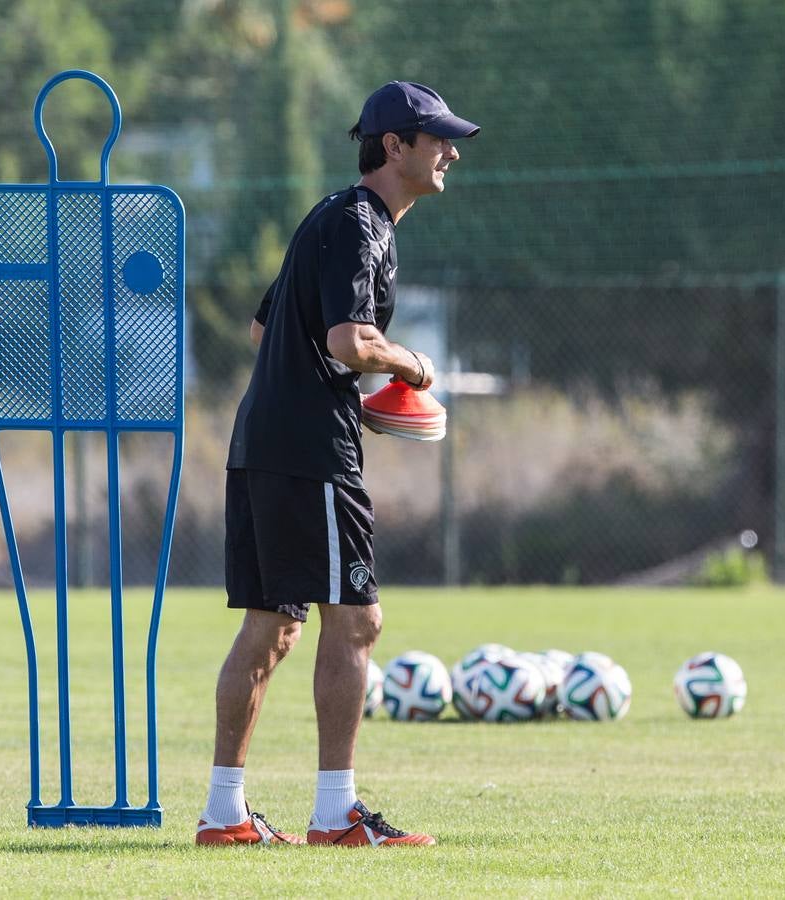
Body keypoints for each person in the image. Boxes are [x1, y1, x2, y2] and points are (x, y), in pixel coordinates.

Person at [195, 81, 479, 847]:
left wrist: (345, 397)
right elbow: (350, 343)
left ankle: (225, 815)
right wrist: (412, 366)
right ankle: (337, 816)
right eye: (438, 139)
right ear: (394, 147)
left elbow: (265, 332)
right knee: (356, 623)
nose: (451, 152)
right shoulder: (363, 228)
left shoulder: (327, 216)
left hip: (263, 441)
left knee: (272, 626)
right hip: (311, 454)